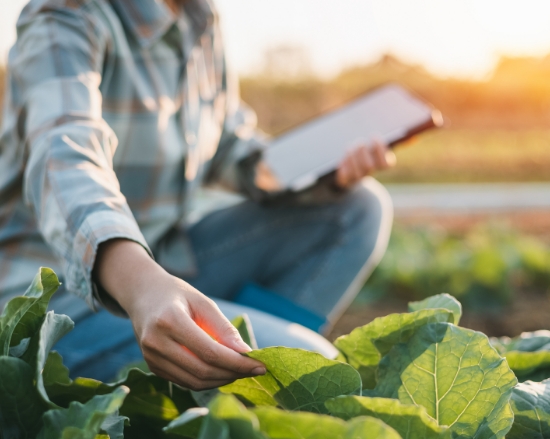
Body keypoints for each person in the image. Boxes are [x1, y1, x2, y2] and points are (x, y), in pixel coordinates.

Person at [0, 0, 394, 388]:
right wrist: (143, 286)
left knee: (356, 208)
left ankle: (217, 380)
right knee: (309, 366)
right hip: (56, 305)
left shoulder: (198, 19)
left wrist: (325, 168)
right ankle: (221, 387)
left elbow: (230, 149)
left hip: (163, 263)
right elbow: (64, 157)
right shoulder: (65, 16)